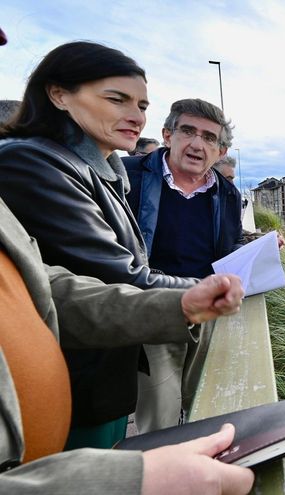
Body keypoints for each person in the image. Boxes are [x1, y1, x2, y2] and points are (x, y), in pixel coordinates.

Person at [0, 41, 199, 449]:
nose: (136, 116)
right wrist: (210, 291)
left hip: (99, 378)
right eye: (117, 99)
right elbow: (117, 274)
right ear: (58, 94)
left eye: (143, 105)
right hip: (68, 385)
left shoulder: (98, 170)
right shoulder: (33, 163)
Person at [0, 196, 253, 495]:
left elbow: (44, 287)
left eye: (214, 144)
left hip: (51, 456)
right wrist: (129, 482)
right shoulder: (33, 161)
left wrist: (177, 306)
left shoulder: (224, 192)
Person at [122, 98, 244, 432]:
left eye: (209, 138)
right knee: (159, 408)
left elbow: (228, 244)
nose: (196, 144)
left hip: (207, 312)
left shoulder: (227, 193)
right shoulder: (127, 176)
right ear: (167, 135)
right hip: (154, 307)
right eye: (188, 131)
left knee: (199, 399)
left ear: (220, 151)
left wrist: (256, 248)